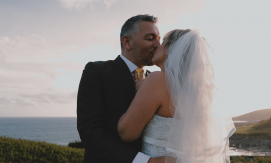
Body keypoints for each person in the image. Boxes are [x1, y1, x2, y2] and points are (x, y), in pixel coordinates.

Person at [118, 29, 236, 163]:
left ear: (171, 49)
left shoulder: (158, 80)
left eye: (163, 42)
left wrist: (139, 92)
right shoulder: (199, 95)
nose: (157, 46)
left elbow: (126, 133)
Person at [77, 14, 166, 163]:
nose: (158, 45)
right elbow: (90, 132)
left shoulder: (156, 81)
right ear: (127, 42)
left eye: (159, 39)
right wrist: (146, 161)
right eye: (150, 38)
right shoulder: (97, 71)